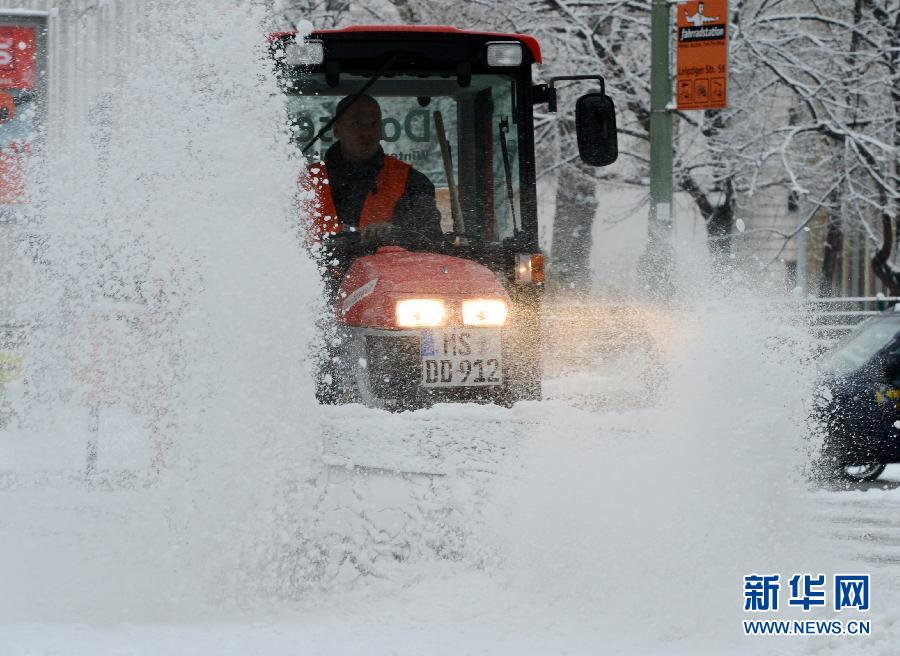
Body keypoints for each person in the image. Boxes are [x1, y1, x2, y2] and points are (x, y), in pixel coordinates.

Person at [302, 94, 442, 255]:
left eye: (374, 124)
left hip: (388, 276)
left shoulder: (411, 181)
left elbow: (429, 240)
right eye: (357, 123)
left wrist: (394, 233)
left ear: (381, 130)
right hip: (313, 278)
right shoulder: (307, 181)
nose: (366, 132)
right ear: (337, 130)